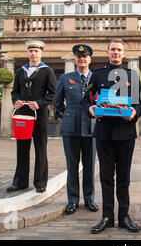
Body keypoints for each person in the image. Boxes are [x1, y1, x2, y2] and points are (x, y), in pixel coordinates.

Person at [87, 38, 141, 234]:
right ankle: (107, 216)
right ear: (107, 52)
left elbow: (140, 102)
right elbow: (87, 99)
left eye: (119, 50)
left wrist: (135, 112)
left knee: (124, 178)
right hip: (104, 132)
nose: (116, 53)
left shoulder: (132, 75)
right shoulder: (97, 74)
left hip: (125, 133)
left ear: (124, 53)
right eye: (113, 49)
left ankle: (124, 216)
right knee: (105, 177)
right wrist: (91, 108)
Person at [7, 40, 57, 194]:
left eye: (36, 51)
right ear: (27, 53)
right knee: (21, 148)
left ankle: (40, 182)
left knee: (40, 147)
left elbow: (52, 93)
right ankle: (20, 181)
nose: (33, 54)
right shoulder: (20, 71)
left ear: (41, 53)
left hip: (39, 114)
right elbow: (15, 91)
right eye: (31, 51)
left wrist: (40, 103)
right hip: (23, 114)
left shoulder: (47, 71)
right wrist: (15, 101)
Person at [54, 44, 98, 214]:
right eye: (79, 57)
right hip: (70, 129)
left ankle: (89, 199)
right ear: (75, 59)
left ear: (89, 59)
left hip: (91, 127)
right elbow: (57, 103)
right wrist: (67, 116)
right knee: (72, 166)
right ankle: (72, 200)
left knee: (89, 166)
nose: (82, 59)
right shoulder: (66, 78)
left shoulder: (96, 78)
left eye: (85, 56)